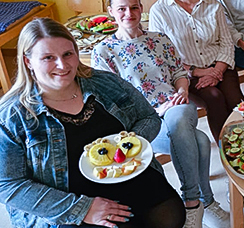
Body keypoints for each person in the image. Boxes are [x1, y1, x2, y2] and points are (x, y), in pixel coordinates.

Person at [0, 18, 185, 228]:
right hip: (64, 201)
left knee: (171, 215)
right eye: (48, 57)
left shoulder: (106, 83)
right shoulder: (11, 116)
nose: (62, 65)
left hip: (126, 177)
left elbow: (149, 117)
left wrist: (127, 145)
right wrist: (80, 208)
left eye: (68, 54)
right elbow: (7, 185)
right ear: (28, 61)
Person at [92, 0, 229, 228]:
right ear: (111, 11)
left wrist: (182, 90)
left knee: (180, 121)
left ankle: (190, 203)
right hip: (141, 122)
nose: (129, 13)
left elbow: (179, 72)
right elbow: (110, 102)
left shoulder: (159, 39)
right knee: (197, 141)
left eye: (134, 7)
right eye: (121, 8)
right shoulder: (104, 51)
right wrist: (156, 111)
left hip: (176, 105)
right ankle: (203, 203)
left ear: (141, 8)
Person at [149, 0, 244, 141]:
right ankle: (227, 147)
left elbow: (226, 42)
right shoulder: (159, 11)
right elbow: (162, 58)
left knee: (237, 101)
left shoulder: (213, 5)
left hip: (220, 66)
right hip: (185, 75)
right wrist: (198, 71)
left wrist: (217, 71)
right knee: (215, 97)